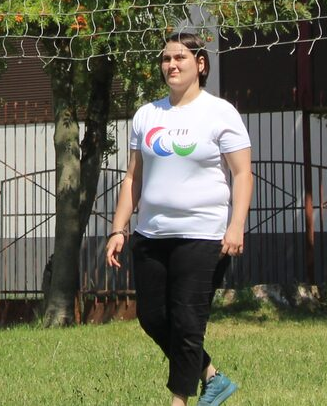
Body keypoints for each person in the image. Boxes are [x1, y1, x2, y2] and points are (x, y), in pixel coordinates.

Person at [106, 32, 252, 406]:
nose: (171, 65)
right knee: (154, 319)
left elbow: (242, 174)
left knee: (188, 321)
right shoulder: (147, 115)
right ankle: (212, 377)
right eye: (166, 59)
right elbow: (133, 177)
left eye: (180, 57)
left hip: (203, 236)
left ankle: (179, 401)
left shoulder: (220, 113)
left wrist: (236, 225)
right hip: (151, 235)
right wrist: (119, 228)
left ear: (200, 64)